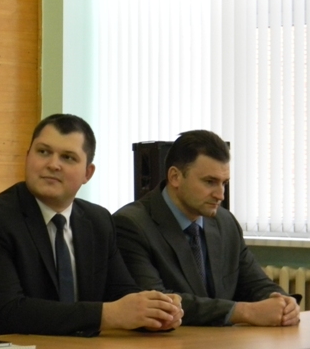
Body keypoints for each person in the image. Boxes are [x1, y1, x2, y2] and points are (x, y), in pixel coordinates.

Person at [0, 114, 183, 337]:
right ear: (28, 157)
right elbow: (9, 311)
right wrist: (107, 315)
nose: (53, 165)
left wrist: (156, 312)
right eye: (43, 152)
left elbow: (120, 293)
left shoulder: (98, 221)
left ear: (88, 173)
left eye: (68, 157)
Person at [113, 129, 301, 327]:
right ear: (175, 177)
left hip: (222, 340)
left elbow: (255, 283)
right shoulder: (131, 225)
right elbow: (157, 304)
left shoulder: (225, 222)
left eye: (224, 183)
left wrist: (282, 302)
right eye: (210, 182)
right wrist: (243, 312)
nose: (220, 195)